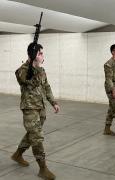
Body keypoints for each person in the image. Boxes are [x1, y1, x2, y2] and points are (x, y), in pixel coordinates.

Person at [11, 43, 60, 180]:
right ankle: (43, 168)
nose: (43, 56)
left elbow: (46, 87)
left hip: (41, 107)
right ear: (33, 55)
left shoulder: (42, 69)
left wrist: (53, 102)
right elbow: (27, 81)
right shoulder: (22, 70)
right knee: (37, 138)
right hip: (29, 108)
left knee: (32, 134)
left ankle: (17, 154)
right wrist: (33, 65)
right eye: (40, 53)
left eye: (42, 53)